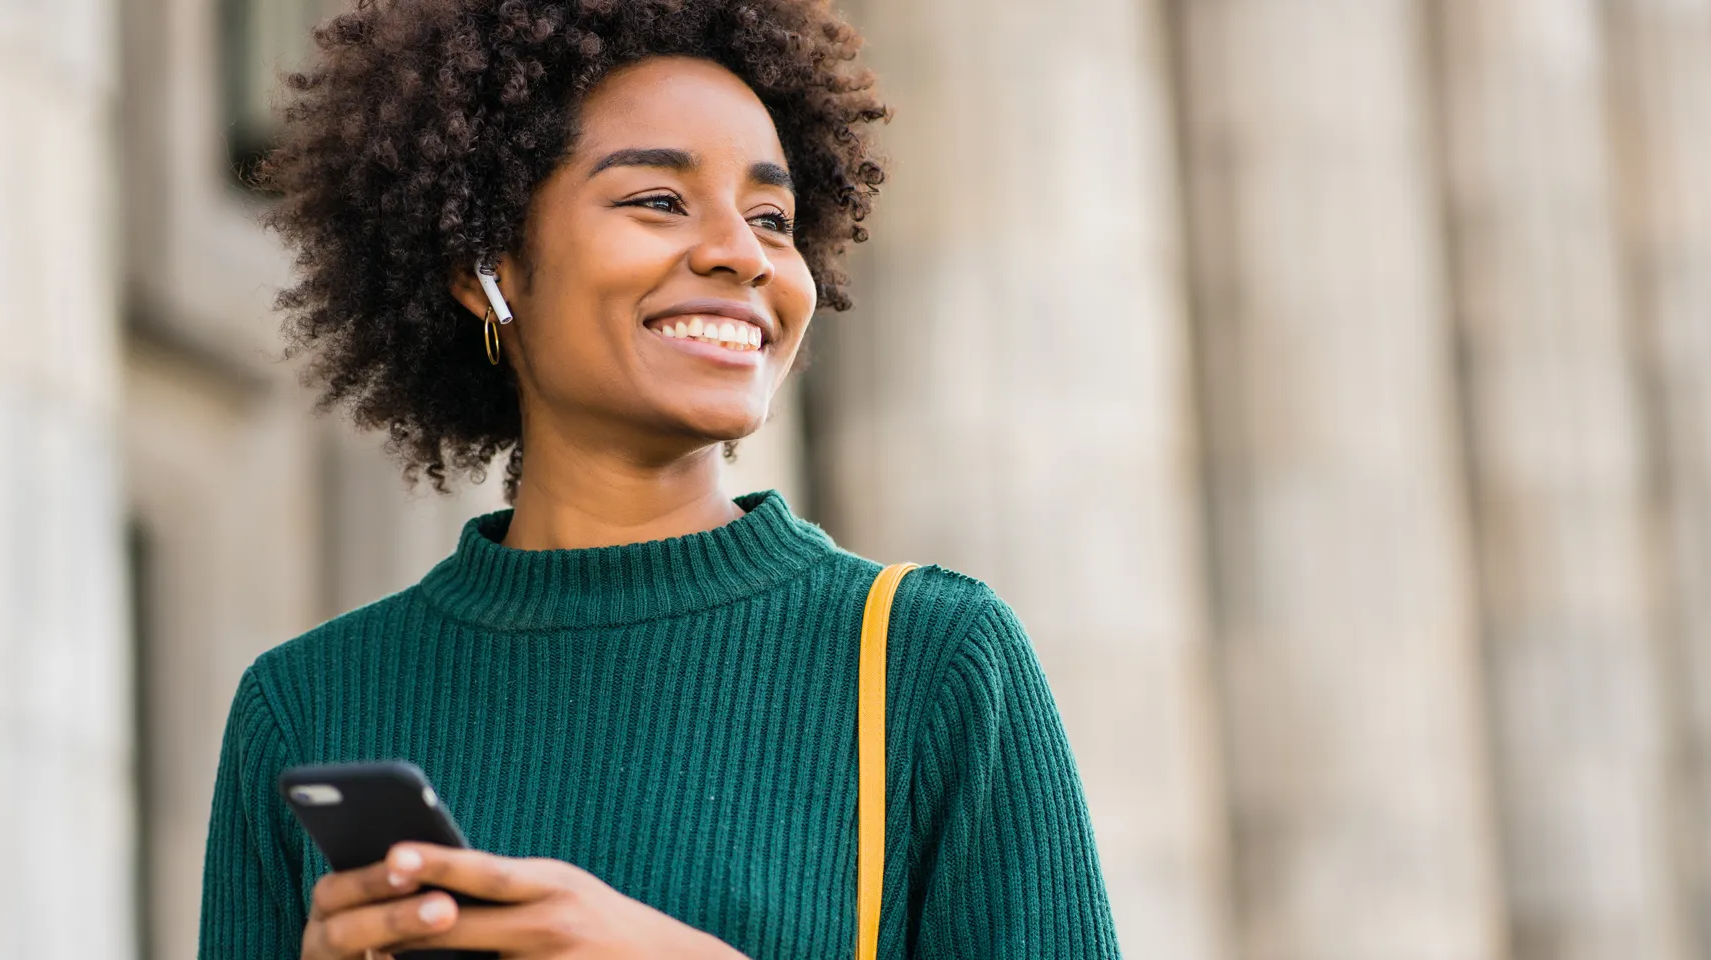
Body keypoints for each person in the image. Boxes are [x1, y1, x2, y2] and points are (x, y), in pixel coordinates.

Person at [198, 1, 1121, 958]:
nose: (741, 252)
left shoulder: (928, 659)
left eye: (774, 217)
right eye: (658, 200)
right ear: (486, 266)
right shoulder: (309, 704)